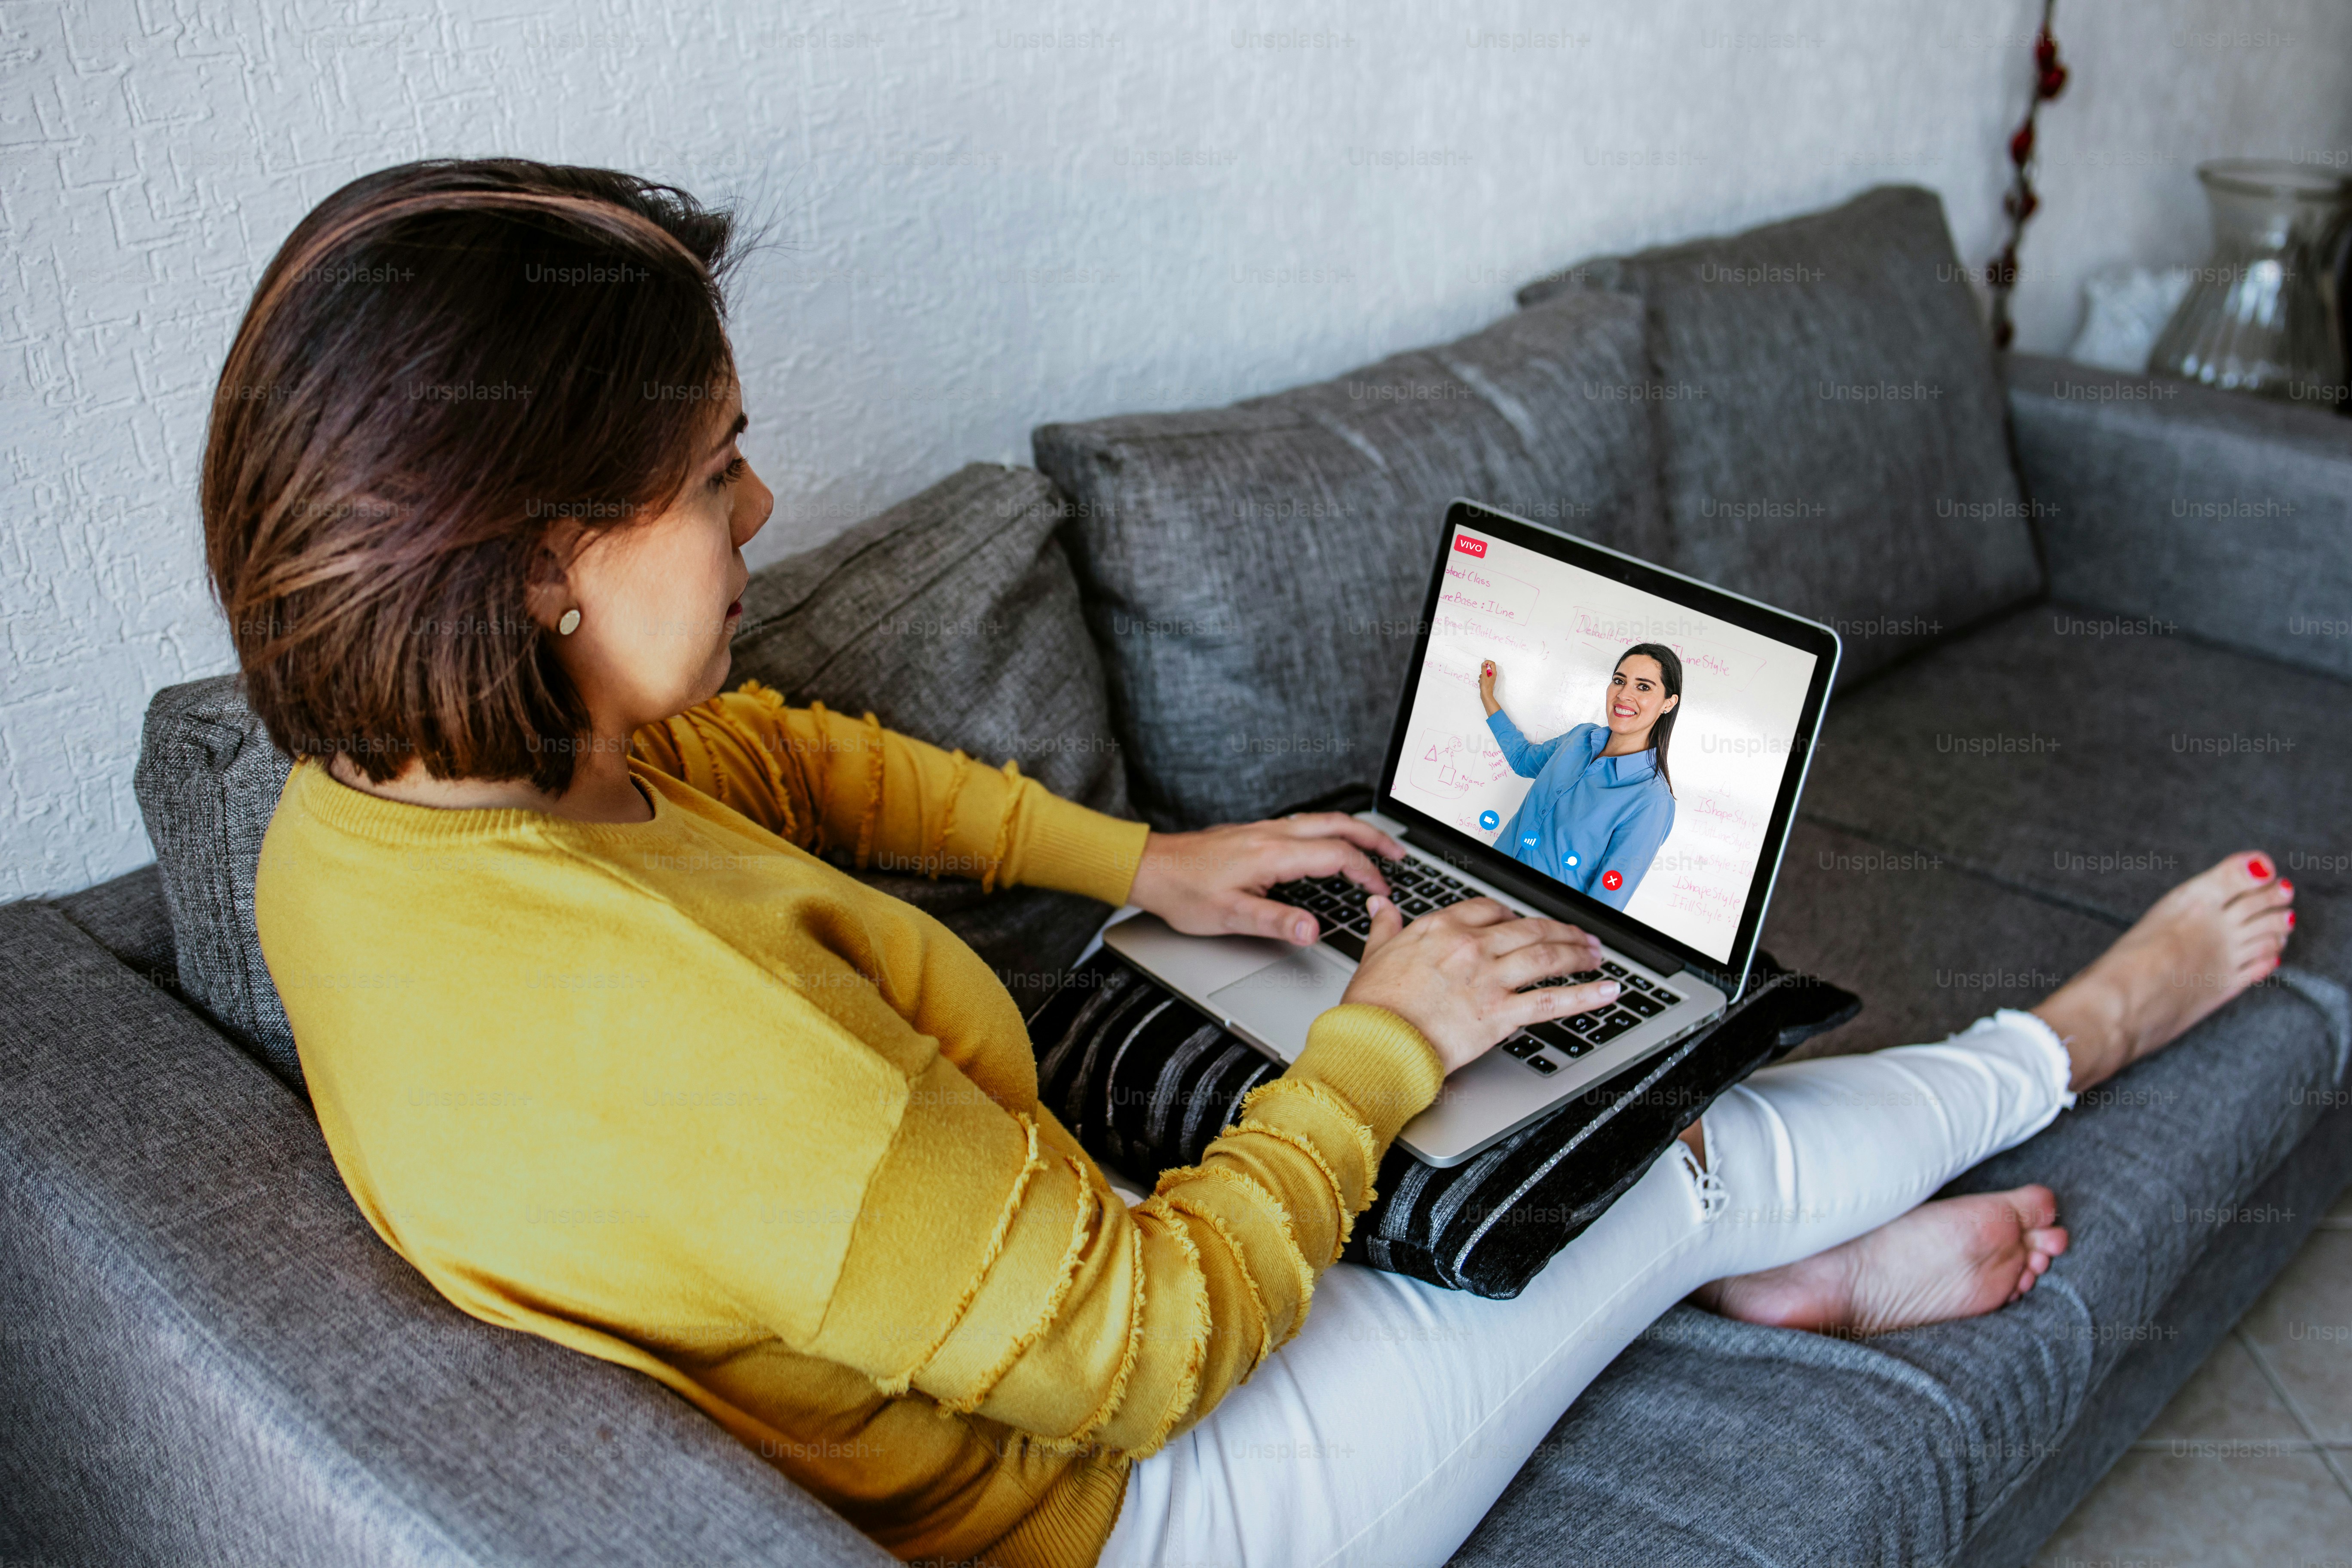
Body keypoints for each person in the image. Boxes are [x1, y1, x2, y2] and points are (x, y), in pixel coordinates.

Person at [220, 162, 2297, 1568]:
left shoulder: (371, 803)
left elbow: (777, 761)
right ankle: (2072, 1032)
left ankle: (1731, 1277)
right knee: (1669, 1128)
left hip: (1017, 1285)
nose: (760, 500)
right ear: (533, 571)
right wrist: (1382, 1045)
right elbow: (1137, 1347)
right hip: (1142, 1495)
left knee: (1534, 1097)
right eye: (706, 471)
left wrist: (1151, 853)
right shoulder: (662, 1037)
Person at [1481, 643, 1681, 907]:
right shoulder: (1580, 738)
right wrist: (1488, 696)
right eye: (1619, 681)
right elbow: (1523, 760)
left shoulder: (1652, 802)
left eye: (1643, 687)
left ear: (1668, 703)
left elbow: (1604, 906)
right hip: (1483, 885)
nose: (1624, 695)